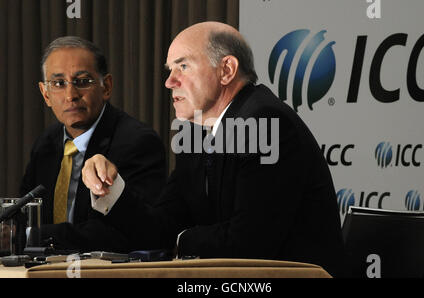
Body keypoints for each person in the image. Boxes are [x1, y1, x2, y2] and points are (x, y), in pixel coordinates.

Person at [82, 22, 346, 277]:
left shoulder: (265, 122)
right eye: (169, 70)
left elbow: (249, 246)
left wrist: (180, 240)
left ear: (227, 70)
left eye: (183, 66)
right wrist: (110, 189)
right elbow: (161, 228)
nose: (169, 82)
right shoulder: (196, 131)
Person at [20, 36, 166, 252]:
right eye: (59, 84)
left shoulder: (137, 142)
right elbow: (23, 215)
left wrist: (28, 237)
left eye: (83, 81)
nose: (71, 95)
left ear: (106, 87)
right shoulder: (45, 144)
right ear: (45, 94)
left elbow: (116, 235)